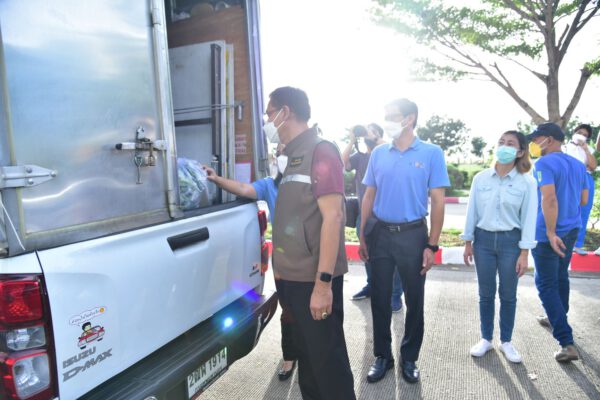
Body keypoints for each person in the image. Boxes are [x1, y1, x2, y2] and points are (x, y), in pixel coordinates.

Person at [268, 86, 355, 399]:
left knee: (328, 366)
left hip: (313, 281)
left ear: (285, 112)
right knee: (308, 363)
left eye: (269, 113)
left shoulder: (321, 150)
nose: (267, 121)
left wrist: (322, 286)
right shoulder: (291, 155)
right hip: (292, 280)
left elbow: (333, 217)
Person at [359, 98, 449, 384]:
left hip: (413, 235)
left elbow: (438, 201)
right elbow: (369, 195)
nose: (387, 121)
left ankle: (409, 358)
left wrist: (432, 245)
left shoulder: (431, 153)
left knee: (414, 298)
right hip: (380, 234)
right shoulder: (378, 153)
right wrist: (362, 234)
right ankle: (382, 356)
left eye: (392, 116)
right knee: (380, 298)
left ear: (409, 119)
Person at [203, 147, 298, 381]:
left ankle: (312, 353)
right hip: (284, 258)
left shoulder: (310, 183)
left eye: (287, 151)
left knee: (312, 309)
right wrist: (216, 179)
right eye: (279, 152)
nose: (282, 156)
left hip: (311, 256)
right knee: (288, 309)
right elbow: (243, 188)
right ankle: (290, 356)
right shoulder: (269, 185)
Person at [461, 131, 537, 364]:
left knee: (508, 294)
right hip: (482, 242)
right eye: (501, 142)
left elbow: (528, 219)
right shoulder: (481, 178)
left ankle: (506, 341)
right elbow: (472, 211)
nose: (504, 146)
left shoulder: (527, 182)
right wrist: (468, 242)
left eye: (510, 143)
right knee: (485, 294)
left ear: (520, 152)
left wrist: (524, 253)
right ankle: (486, 339)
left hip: (511, 243)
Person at [528, 122, 588, 362]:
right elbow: (583, 200)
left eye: (536, 138)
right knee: (561, 276)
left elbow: (549, 198)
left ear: (549, 139)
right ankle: (556, 316)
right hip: (571, 229)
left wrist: (551, 232)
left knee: (546, 284)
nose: (533, 143)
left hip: (548, 234)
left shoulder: (543, 163)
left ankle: (566, 342)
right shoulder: (578, 164)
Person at [342, 124, 404, 311]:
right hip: (365, 215)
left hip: (386, 216)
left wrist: (375, 138)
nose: (367, 134)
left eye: (373, 131)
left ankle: (395, 294)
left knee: (394, 257)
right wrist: (352, 139)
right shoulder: (360, 157)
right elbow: (343, 164)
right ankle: (371, 285)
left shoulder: (386, 153)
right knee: (367, 254)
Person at [563, 123, 597, 255]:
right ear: (574, 133)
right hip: (569, 179)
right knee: (566, 209)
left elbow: (593, 166)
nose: (582, 136)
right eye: (580, 133)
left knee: (584, 210)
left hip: (585, 179)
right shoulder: (564, 147)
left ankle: (577, 245)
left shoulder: (588, 149)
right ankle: (562, 242)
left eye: (585, 135)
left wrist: (586, 150)